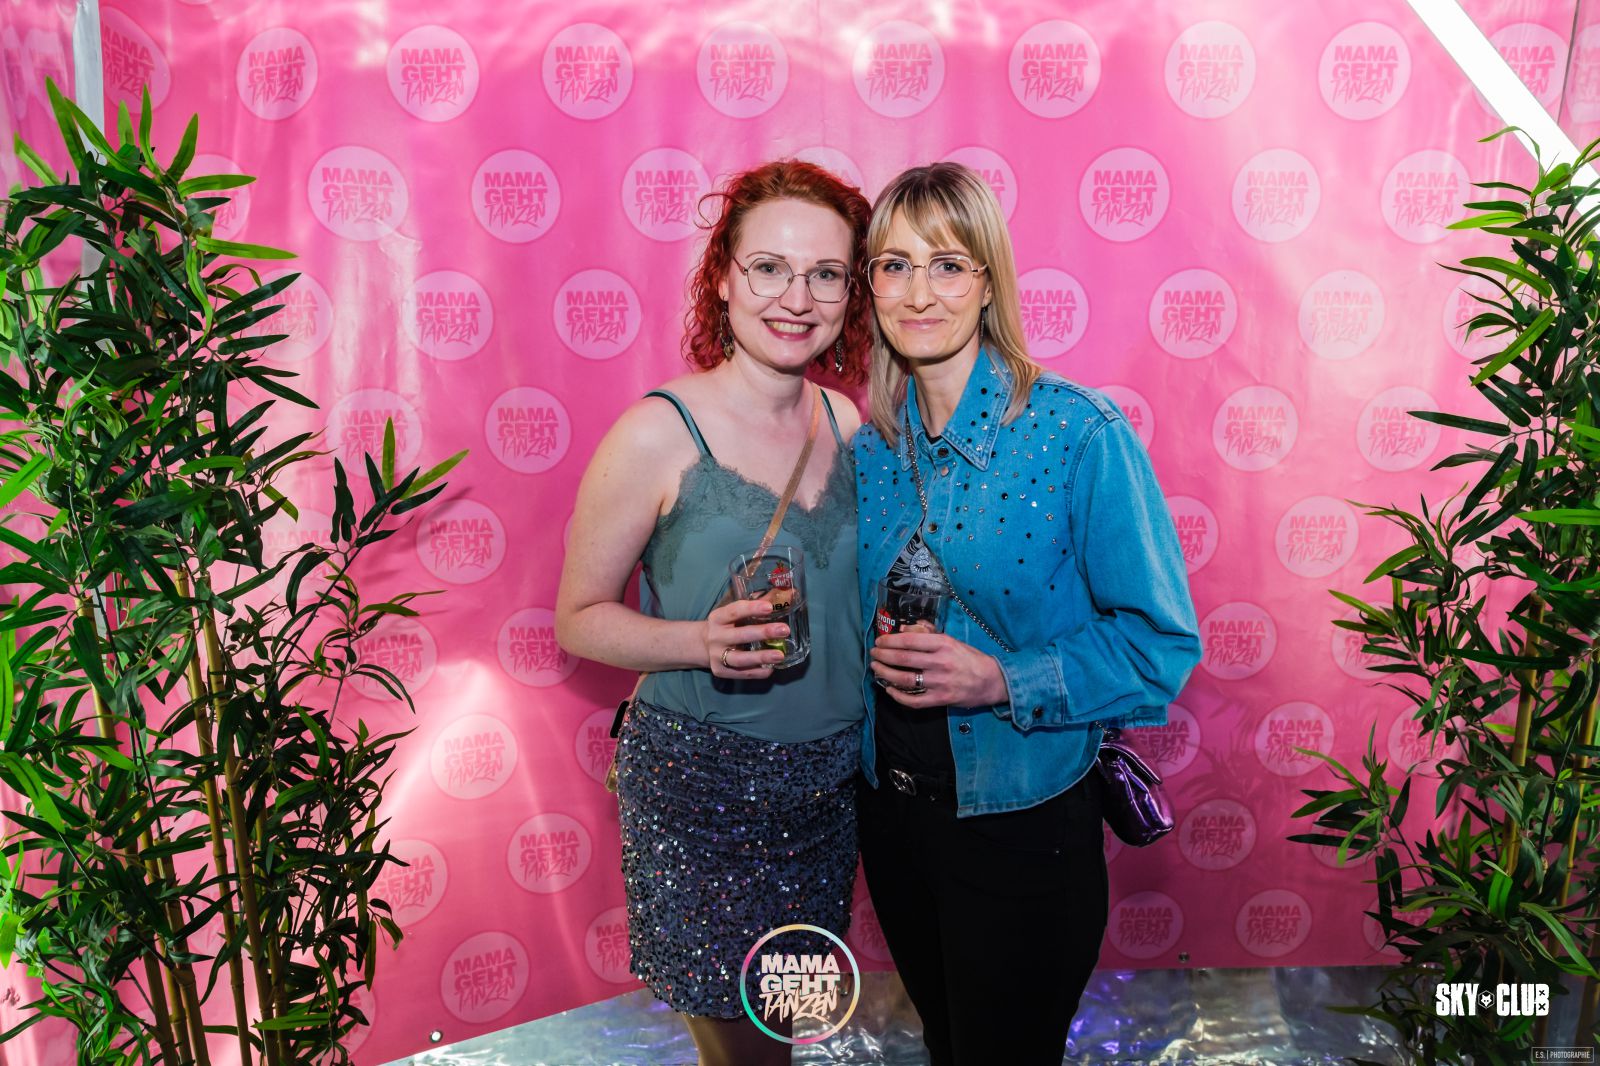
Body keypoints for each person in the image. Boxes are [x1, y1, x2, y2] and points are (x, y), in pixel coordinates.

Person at [853, 162, 1201, 1066]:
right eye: (894, 266)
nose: (917, 292)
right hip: (892, 824)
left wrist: (1001, 678)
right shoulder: (871, 448)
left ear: (987, 283)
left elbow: (1160, 644)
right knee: (947, 1044)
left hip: (1021, 829)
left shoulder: (1076, 434)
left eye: (947, 265)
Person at [555, 160, 871, 1066]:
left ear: (849, 293)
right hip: (702, 788)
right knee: (740, 1049)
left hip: (829, 789)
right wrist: (697, 640)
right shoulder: (656, 432)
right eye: (769, 267)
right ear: (724, 277)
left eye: (824, 274)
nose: (796, 299)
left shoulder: (850, 426)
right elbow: (578, 617)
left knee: (789, 1023)